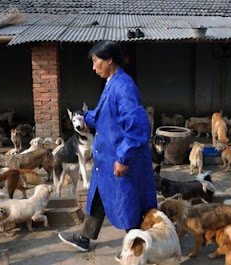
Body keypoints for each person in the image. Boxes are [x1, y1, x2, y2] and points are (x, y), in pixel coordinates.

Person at [58, 40, 157, 257]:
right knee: (100, 195)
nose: (94, 67)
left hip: (120, 159)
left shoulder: (124, 87)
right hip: (107, 159)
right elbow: (103, 115)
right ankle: (85, 238)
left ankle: (137, 249)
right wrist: (85, 119)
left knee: (129, 205)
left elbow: (137, 127)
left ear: (110, 59)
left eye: (96, 61)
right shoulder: (112, 83)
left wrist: (123, 158)